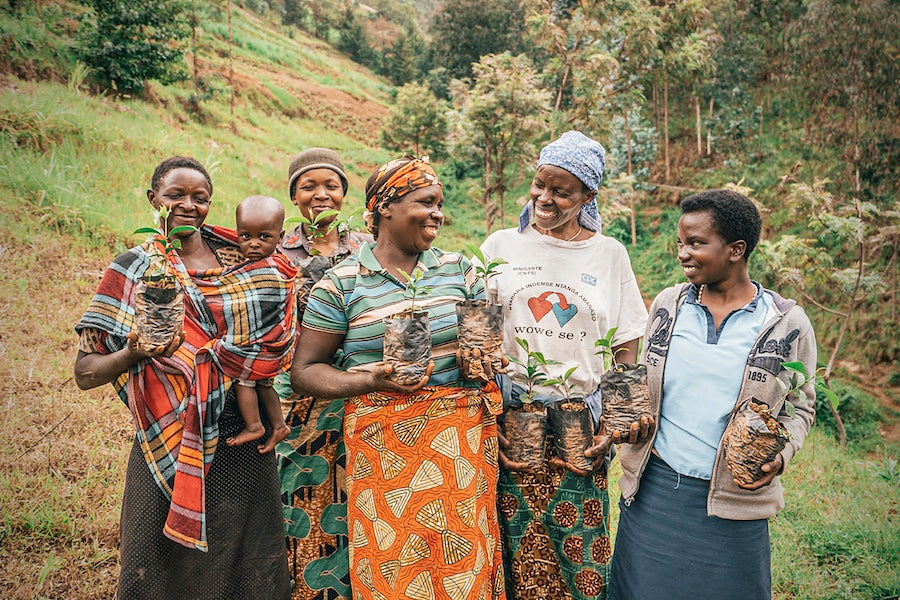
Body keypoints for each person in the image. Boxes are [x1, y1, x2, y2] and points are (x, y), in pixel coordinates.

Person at [74, 156, 293, 599]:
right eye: (176, 195)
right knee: (154, 567)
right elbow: (85, 372)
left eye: (201, 198)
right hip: (168, 438)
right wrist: (134, 350)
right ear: (154, 199)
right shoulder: (134, 269)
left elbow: (277, 326)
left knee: (250, 570)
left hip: (242, 438)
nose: (189, 205)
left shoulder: (246, 257)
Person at [291, 156, 506, 600]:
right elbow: (306, 373)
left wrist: (485, 358)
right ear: (385, 206)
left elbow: (483, 356)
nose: (438, 213)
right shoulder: (343, 284)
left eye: (440, 204)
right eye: (426, 202)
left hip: (458, 455)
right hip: (384, 455)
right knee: (393, 569)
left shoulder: (460, 271)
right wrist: (370, 382)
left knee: (461, 567)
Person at [608, 189, 817, 600]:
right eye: (681, 243)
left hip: (733, 501)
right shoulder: (669, 304)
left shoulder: (785, 323)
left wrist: (780, 455)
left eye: (697, 243)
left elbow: (801, 406)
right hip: (655, 491)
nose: (683, 253)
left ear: (736, 249)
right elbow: (646, 384)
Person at [479, 131, 651, 600]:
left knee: (580, 546)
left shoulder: (609, 253)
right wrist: (484, 415)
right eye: (540, 185)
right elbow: (480, 334)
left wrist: (614, 424)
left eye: (562, 191)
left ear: (588, 196)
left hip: (582, 417)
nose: (545, 198)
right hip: (515, 414)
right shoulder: (501, 245)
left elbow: (626, 344)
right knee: (510, 538)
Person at [276, 147, 373, 600]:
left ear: (344, 193)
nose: (321, 194)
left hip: (353, 388)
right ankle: (299, 587)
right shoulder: (276, 247)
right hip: (292, 390)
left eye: (331, 185)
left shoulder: (367, 248)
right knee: (298, 488)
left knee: (352, 491)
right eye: (308, 186)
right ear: (294, 195)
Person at [226, 195, 292, 452]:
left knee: (244, 381)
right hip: (273, 346)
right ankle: (279, 425)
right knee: (265, 384)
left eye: (264, 237)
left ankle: (254, 425)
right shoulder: (273, 264)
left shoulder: (273, 270)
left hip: (260, 344)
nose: (253, 244)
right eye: (246, 237)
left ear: (281, 237)